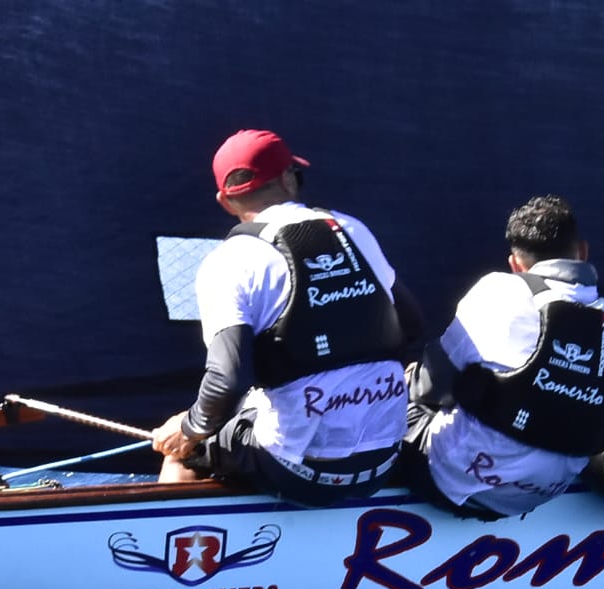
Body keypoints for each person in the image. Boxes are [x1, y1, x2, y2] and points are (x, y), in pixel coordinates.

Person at [150, 129, 421, 504]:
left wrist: (188, 429)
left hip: (301, 471)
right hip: (383, 461)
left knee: (181, 453)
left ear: (224, 201)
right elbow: (412, 328)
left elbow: (225, 383)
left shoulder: (227, 262)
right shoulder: (352, 229)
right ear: (288, 179)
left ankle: (181, 553)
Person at [399, 195, 604, 520]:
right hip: (547, 488)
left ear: (515, 264)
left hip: (456, 482)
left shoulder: (500, 289)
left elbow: (430, 385)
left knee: (398, 394)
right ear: (582, 251)